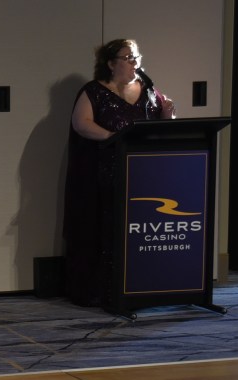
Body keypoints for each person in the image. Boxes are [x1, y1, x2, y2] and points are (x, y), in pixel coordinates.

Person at [62, 39, 175, 307]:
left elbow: (162, 126)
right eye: (128, 58)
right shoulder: (94, 91)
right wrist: (115, 138)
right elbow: (81, 124)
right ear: (111, 64)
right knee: (106, 228)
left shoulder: (149, 90)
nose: (135, 62)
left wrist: (168, 115)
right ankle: (104, 290)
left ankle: (142, 285)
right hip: (104, 173)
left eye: (137, 57)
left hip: (143, 174)